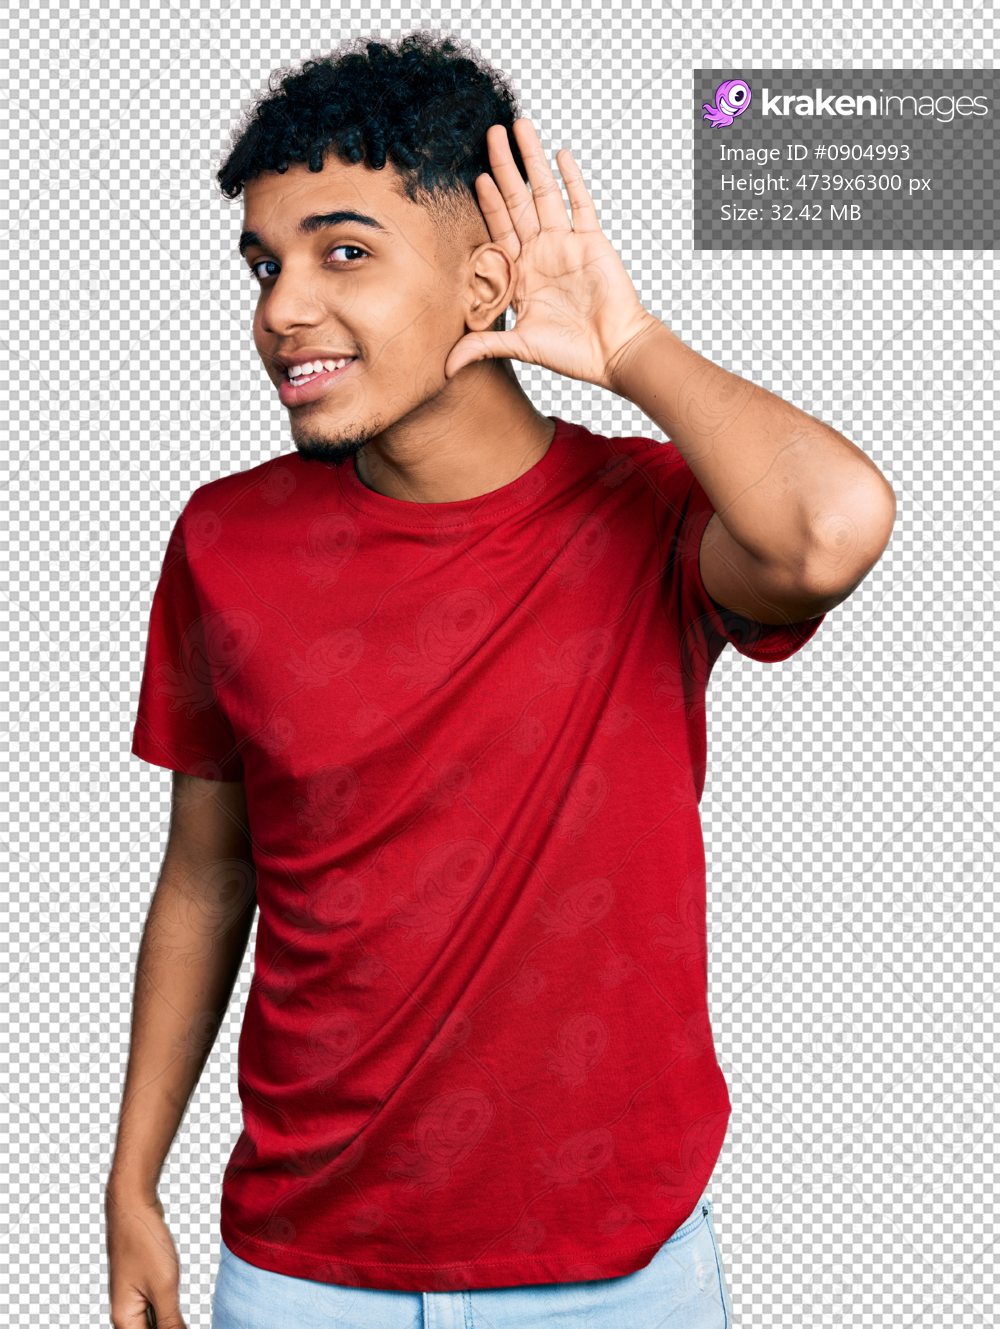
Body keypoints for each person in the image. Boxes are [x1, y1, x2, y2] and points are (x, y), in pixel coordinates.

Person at [105, 31, 896, 1329]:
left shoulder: (652, 517)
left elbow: (833, 527)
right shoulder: (222, 540)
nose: (283, 309)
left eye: (342, 251)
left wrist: (633, 343)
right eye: (266, 263)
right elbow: (208, 864)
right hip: (306, 1271)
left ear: (487, 282)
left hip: (618, 1272)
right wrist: (133, 1180)